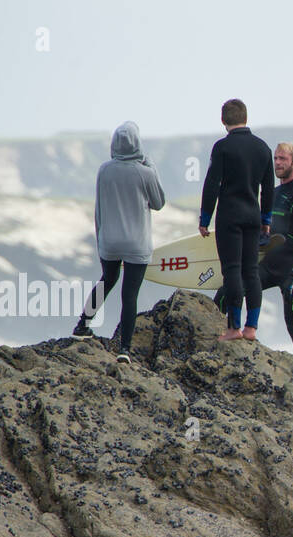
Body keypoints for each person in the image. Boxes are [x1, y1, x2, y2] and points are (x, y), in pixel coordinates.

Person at [215, 142, 293, 365]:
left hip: (291, 271)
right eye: (276, 158)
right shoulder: (271, 193)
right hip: (268, 266)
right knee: (226, 293)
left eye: (283, 159)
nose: (278, 163)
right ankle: (222, 340)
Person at [72, 121, 166, 363]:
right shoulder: (144, 172)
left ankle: (82, 325)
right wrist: (151, 165)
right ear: (138, 145)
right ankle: (124, 349)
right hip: (136, 243)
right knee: (130, 294)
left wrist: (101, 239)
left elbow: (99, 207)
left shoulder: (104, 170)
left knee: (107, 281)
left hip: (109, 241)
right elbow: (158, 202)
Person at [199, 99, 274, 341]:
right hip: (252, 217)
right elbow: (268, 188)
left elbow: (212, 184)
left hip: (229, 217)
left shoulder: (222, 148)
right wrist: (266, 218)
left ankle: (233, 328)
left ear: (223, 120)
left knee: (232, 270)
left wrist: (205, 217)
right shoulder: (263, 148)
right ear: (246, 117)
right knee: (251, 270)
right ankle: (251, 328)